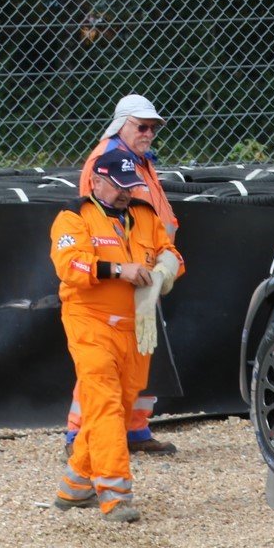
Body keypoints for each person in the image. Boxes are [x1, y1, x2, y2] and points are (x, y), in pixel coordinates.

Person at [51, 154, 184, 523]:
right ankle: (115, 495)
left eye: (131, 186)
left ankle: (75, 487)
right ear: (96, 182)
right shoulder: (74, 217)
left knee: (120, 409)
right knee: (106, 404)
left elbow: (171, 254)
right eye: (119, 186)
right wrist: (118, 270)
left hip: (136, 325)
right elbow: (69, 265)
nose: (127, 193)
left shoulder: (145, 215)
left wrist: (164, 272)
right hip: (89, 322)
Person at [67, 94, 179, 456]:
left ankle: (134, 429)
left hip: (146, 269)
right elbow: (98, 218)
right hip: (115, 281)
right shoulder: (108, 160)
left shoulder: (138, 159)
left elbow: (150, 218)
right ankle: (79, 435)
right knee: (100, 365)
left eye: (153, 128)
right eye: (142, 126)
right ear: (122, 124)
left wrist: (162, 265)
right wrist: (121, 268)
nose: (149, 133)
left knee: (140, 354)